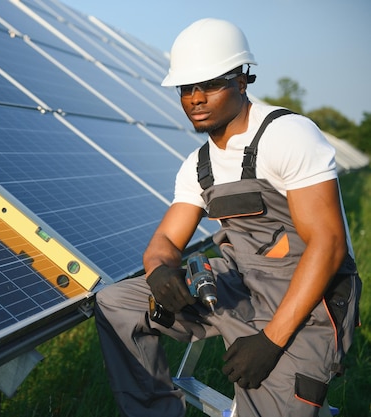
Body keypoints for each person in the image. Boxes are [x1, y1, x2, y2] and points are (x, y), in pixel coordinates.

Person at [94, 18, 361, 417]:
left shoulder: (287, 135)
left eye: (210, 84)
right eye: (187, 88)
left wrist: (270, 341)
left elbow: (328, 245)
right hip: (239, 285)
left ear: (241, 81)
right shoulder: (199, 165)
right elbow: (164, 243)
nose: (196, 98)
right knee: (116, 302)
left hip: (308, 302)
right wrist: (159, 272)